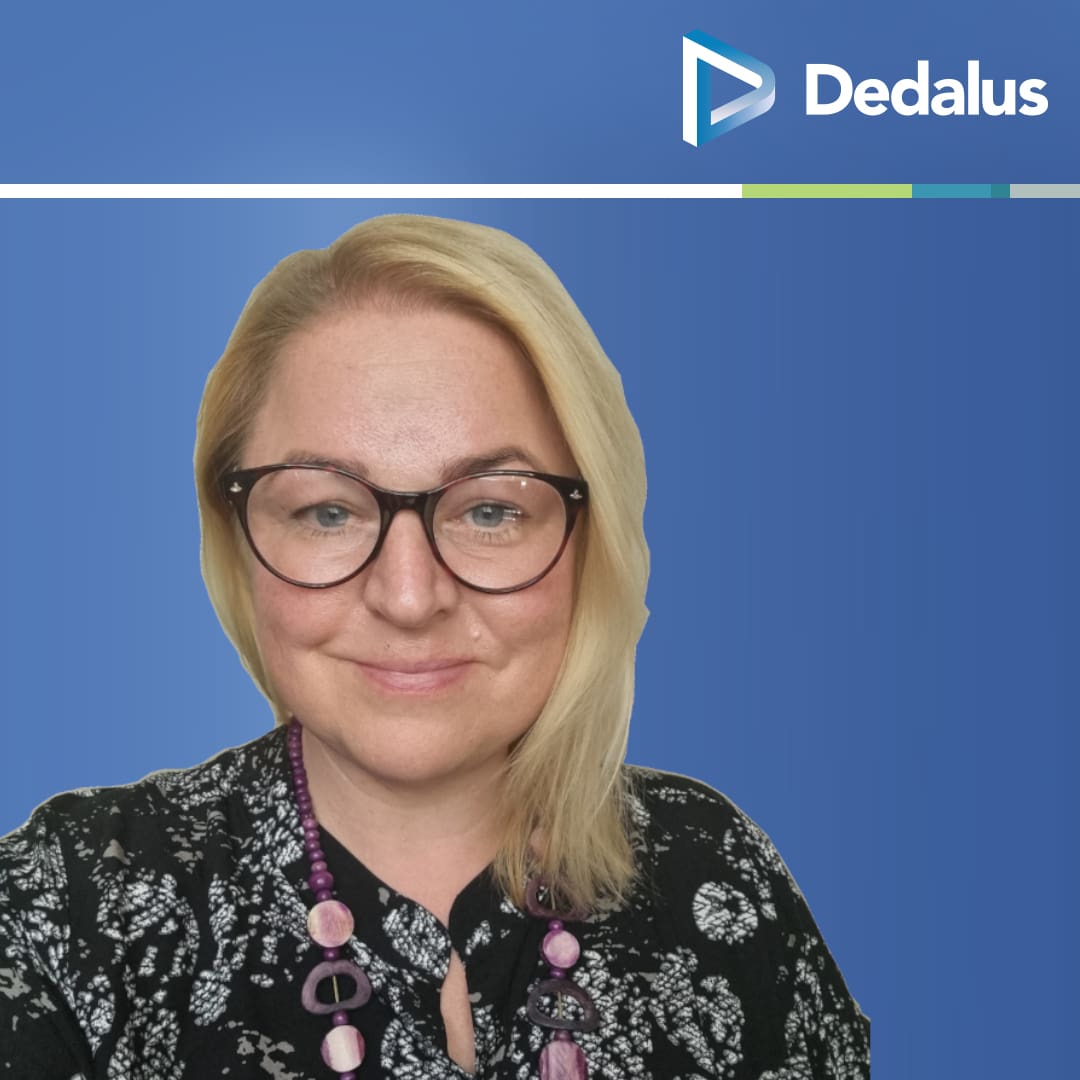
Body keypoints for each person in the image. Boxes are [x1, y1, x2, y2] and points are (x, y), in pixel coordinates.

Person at [0, 214, 870, 1079]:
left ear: (592, 540)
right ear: (239, 539)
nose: (410, 598)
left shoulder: (713, 868)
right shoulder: (67, 907)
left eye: (491, 509)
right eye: (327, 511)